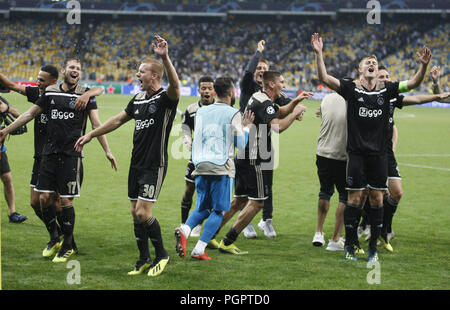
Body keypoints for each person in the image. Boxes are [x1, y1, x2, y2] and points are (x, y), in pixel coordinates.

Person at [311, 32, 431, 262]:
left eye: (374, 62)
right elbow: (325, 78)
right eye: (368, 62)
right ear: (359, 69)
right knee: (355, 200)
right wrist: (319, 54)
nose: (372, 64)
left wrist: (422, 67)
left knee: (376, 199)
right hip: (356, 155)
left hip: (378, 156)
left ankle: (374, 248)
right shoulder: (351, 89)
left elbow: (415, 83)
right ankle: (349, 245)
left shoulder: (388, 91)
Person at [75, 35, 180, 277]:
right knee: (135, 212)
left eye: (142, 71)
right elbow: (117, 120)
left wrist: (164, 57)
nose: (137, 75)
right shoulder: (138, 99)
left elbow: (175, 85)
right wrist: (92, 135)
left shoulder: (165, 99)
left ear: (154, 75)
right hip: (136, 163)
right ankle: (143, 259)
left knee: (144, 213)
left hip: (155, 164)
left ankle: (161, 254)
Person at [0, 57, 117, 263]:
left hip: (72, 155)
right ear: (64, 70)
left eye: (78, 68)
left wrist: (107, 150)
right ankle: (55, 237)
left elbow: (96, 122)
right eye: (72, 67)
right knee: (43, 199)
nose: (75, 71)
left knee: (65, 201)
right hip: (49, 154)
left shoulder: (85, 94)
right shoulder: (50, 92)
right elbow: (30, 113)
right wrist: (6, 130)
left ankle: (68, 245)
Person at [215, 71, 312, 255]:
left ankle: (211, 235)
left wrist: (296, 102)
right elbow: (278, 126)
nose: (284, 85)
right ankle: (228, 240)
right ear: (272, 85)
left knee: (238, 201)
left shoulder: (258, 97)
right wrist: (295, 114)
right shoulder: (265, 102)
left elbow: (279, 111)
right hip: (255, 158)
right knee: (258, 202)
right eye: (281, 82)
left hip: (243, 155)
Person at [175, 77, 254, 260]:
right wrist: (247, 127)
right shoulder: (233, 113)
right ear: (231, 92)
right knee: (218, 210)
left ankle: (185, 229)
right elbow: (240, 144)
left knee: (202, 208)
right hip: (221, 167)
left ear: (215, 92)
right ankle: (199, 249)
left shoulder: (202, 112)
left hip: (200, 164)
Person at [239, 40, 292, 239]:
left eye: (264, 68)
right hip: (246, 140)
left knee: (267, 184)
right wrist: (258, 53)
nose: (261, 70)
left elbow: (285, 101)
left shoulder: (272, 93)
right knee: (246, 185)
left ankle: (267, 220)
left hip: (265, 143)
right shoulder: (247, 87)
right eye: (258, 68)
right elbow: (246, 74)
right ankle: (247, 222)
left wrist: (295, 107)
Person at [312, 92, 347, 251]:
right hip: (342, 154)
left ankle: (318, 233)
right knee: (345, 196)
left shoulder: (327, 98)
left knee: (324, 192)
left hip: (322, 152)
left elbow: (323, 114)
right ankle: (335, 240)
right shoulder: (353, 97)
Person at [180, 76, 215, 237]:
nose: (206, 91)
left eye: (209, 88)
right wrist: (187, 140)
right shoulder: (192, 109)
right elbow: (186, 127)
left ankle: (198, 225)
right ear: (198, 90)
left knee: (207, 193)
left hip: (215, 158)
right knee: (189, 190)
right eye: (203, 88)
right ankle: (184, 223)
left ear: (214, 90)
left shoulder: (221, 108)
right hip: (196, 157)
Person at [0, 97, 28, 223]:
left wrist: (7, 108)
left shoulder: (1, 101)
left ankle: (13, 213)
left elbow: (20, 115)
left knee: (7, 178)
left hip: (0, 149)